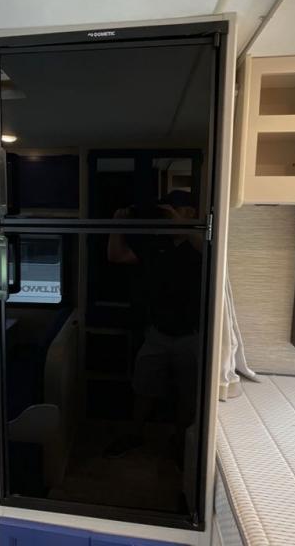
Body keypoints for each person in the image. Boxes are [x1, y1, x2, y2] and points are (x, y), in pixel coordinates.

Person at [104, 191, 202, 463]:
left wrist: (182, 224)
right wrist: (116, 224)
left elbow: (214, 254)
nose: (168, 216)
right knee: (143, 387)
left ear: (190, 213)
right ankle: (135, 433)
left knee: (188, 393)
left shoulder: (200, 242)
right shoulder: (158, 245)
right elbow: (116, 256)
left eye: (174, 210)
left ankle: (181, 441)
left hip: (193, 334)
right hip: (158, 331)